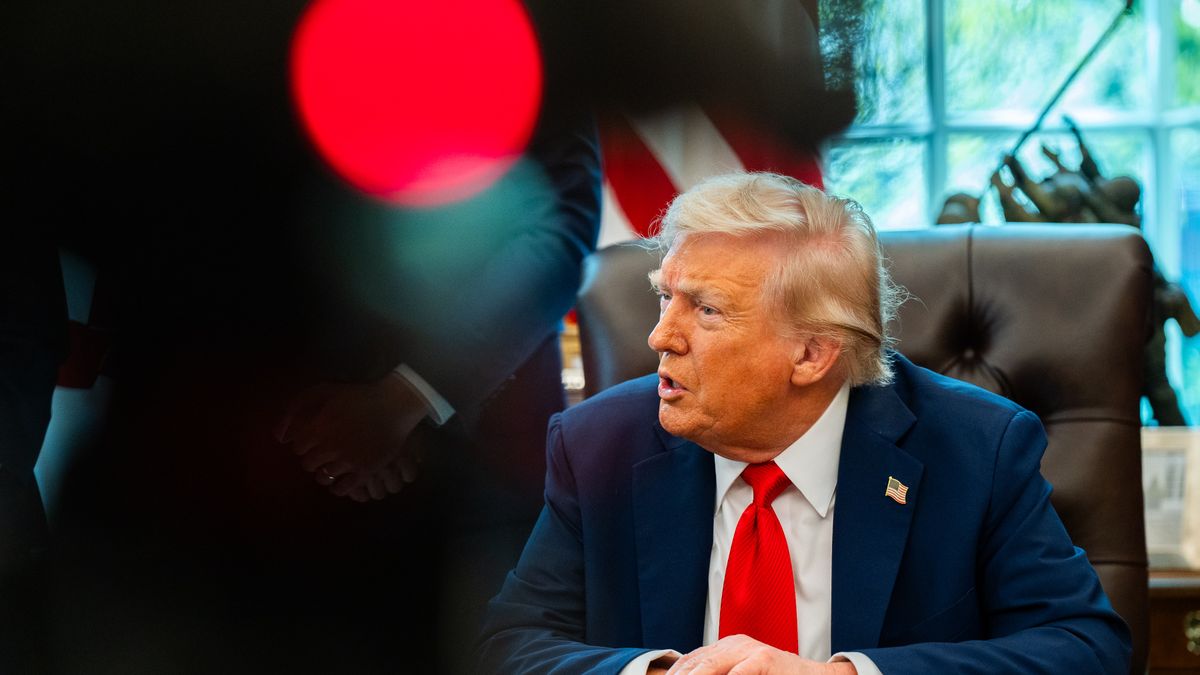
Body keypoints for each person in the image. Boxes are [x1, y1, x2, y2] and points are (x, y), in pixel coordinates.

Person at [477, 172, 1131, 674]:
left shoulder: (975, 450)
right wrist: (650, 670)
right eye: (664, 294)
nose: (658, 337)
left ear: (813, 353)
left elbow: (1086, 645)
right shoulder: (600, 444)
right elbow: (508, 642)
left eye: (705, 310)